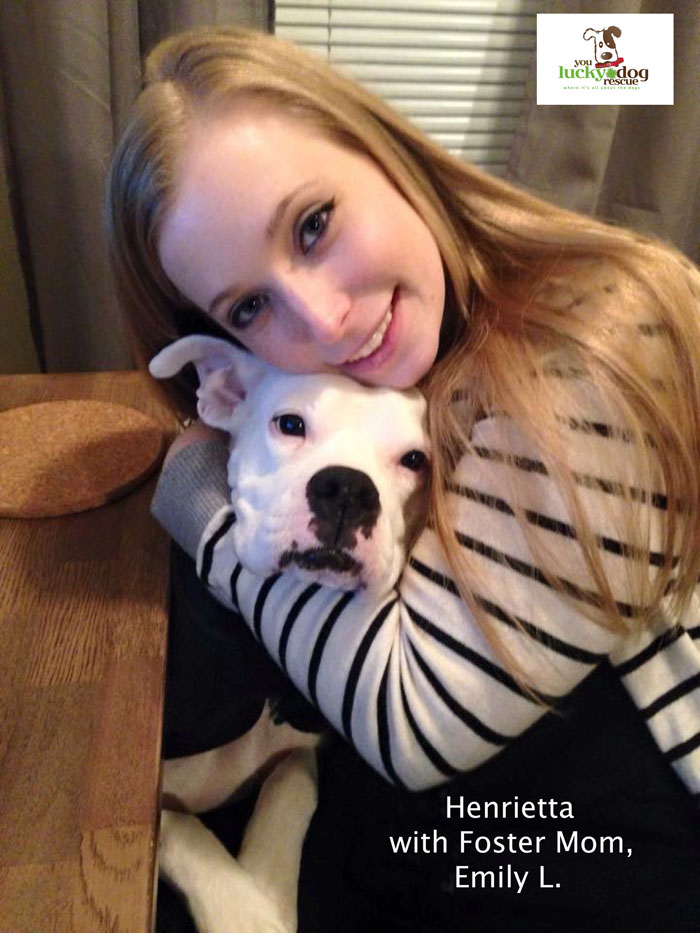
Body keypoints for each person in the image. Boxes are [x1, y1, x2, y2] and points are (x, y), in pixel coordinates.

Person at [106, 27, 700, 931]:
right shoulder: (407, 368)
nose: (323, 319)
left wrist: (207, 509)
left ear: (385, 151)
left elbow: (412, 720)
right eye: (251, 306)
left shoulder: (596, 350)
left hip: (616, 826)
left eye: (313, 225)